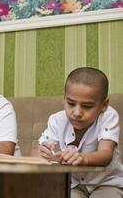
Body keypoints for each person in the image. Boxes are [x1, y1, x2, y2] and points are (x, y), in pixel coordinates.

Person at [38, 67, 123, 198]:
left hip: (107, 183)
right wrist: (43, 152)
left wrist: (82, 158)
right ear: (64, 98)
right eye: (71, 103)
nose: (77, 113)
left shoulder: (108, 116)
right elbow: (38, 152)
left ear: (104, 104)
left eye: (87, 106)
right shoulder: (56, 120)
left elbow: (106, 155)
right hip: (73, 184)